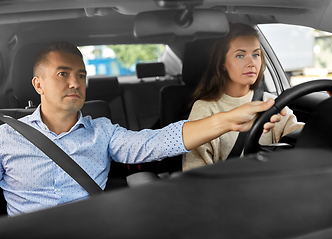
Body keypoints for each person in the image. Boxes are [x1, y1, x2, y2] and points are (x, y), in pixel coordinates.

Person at [0, 41, 284, 216]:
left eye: (81, 75)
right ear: (38, 84)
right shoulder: (6, 136)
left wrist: (228, 119)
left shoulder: (102, 131)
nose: (75, 83)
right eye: (63, 73)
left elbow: (156, 142)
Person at [183, 22, 332, 171]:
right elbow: (194, 174)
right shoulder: (205, 108)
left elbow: (304, 140)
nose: (251, 62)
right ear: (222, 63)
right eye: (240, 55)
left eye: (256, 54)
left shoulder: (271, 102)